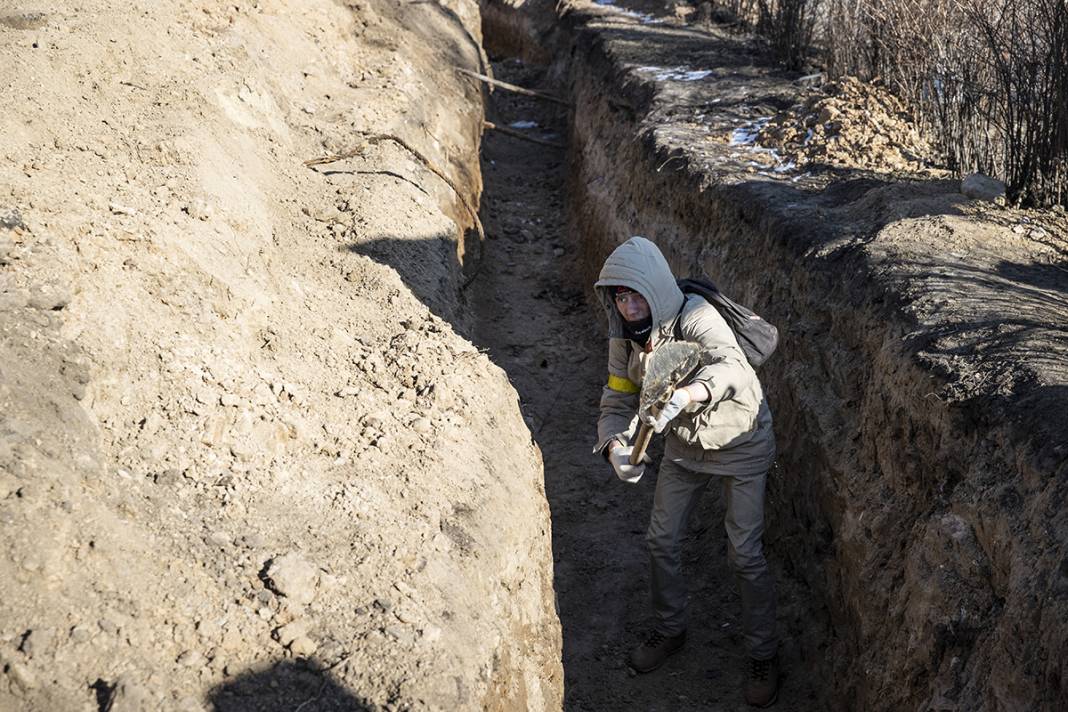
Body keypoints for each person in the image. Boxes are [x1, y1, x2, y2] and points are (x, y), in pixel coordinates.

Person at [594, 236, 780, 707]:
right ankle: (669, 628)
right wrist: (615, 446)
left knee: (744, 552)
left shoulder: (696, 316)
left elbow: (730, 367)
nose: (631, 306)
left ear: (655, 291)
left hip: (740, 442)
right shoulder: (625, 337)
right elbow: (617, 398)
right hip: (683, 447)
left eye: (637, 296)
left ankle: (762, 653)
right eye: (621, 297)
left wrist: (689, 394)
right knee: (661, 539)